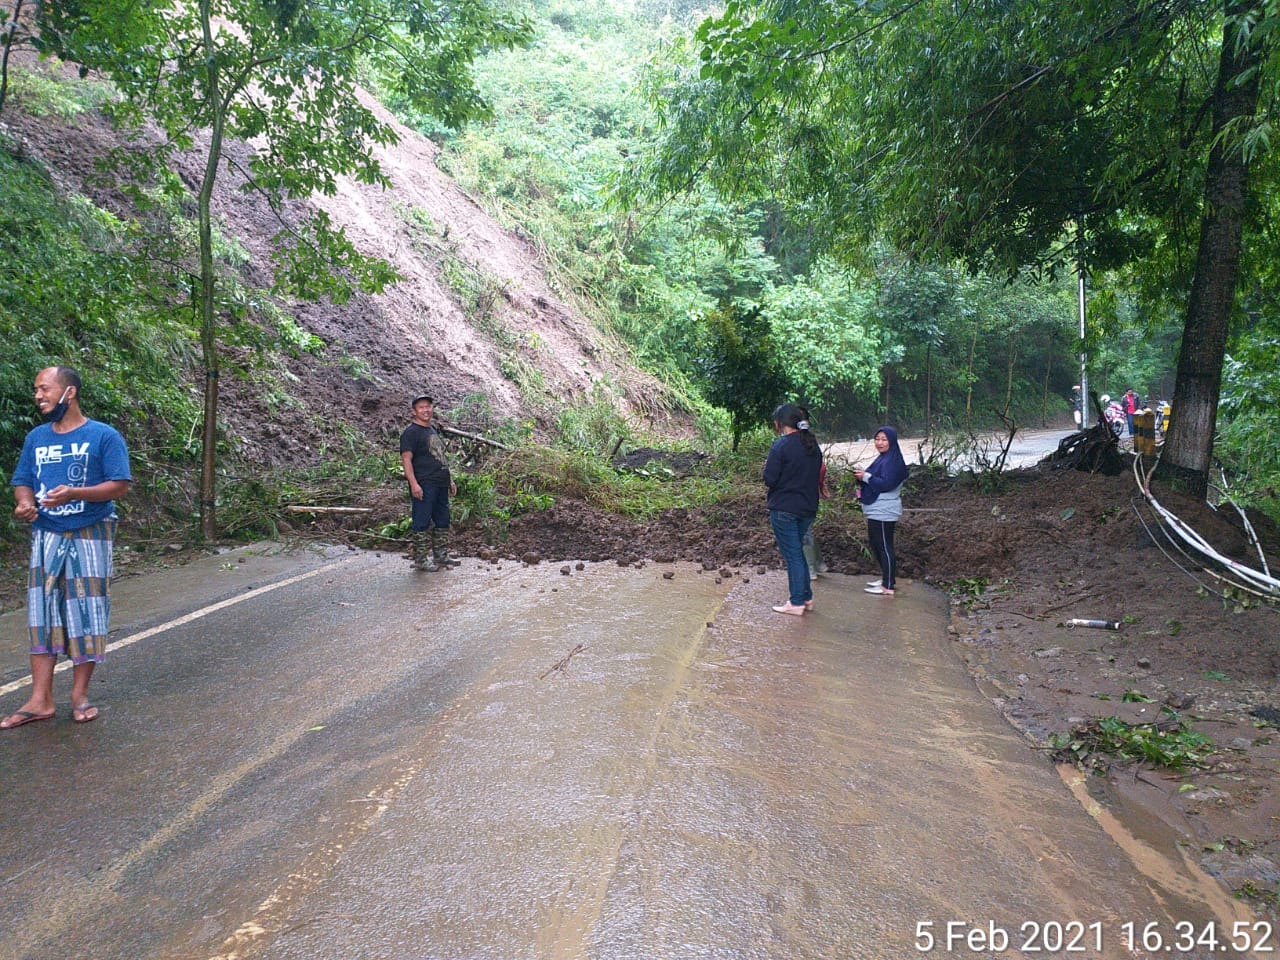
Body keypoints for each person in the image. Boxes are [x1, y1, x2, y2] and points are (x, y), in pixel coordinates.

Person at [4, 366, 131, 729]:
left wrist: (76, 493)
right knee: (41, 614)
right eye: (36, 390)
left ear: (69, 392)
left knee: (86, 611)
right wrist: (25, 503)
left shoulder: (103, 436)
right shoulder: (36, 439)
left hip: (91, 531)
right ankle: (40, 699)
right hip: (46, 533)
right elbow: (23, 481)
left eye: (44, 388)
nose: (38, 396)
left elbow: (119, 485)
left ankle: (79, 696)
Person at [762, 403, 823, 616]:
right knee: (798, 553)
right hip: (807, 507)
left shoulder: (780, 447)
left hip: (785, 508)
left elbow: (769, 478)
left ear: (779, 424)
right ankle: (805, 597)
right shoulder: (812, 445)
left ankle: (796, 602)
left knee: (793, 555)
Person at [400, 394, 458, 572]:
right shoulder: (411, 433)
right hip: (424, 483)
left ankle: (441, 555)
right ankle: (420, 559)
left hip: (440, 482)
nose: (426, 410)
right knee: (421, 520)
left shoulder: (432, 430)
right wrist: (414, 484)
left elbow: (440, 457)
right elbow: (406, 460)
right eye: (421, 407)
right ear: (414, 411)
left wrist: (450, 480)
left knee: (443, 519)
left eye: (428, 406)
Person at [855, 426, 909, 596]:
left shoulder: (893, 461)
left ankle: (888, 585)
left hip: (885, 510)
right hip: (877, 509)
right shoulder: (883, 459)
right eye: (877, 439)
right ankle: (887, 577)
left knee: (885, 546)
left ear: (892, 441)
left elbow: (886, 484)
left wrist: (865, 477)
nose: (879, 442)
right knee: (876, 544)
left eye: (884, 439)